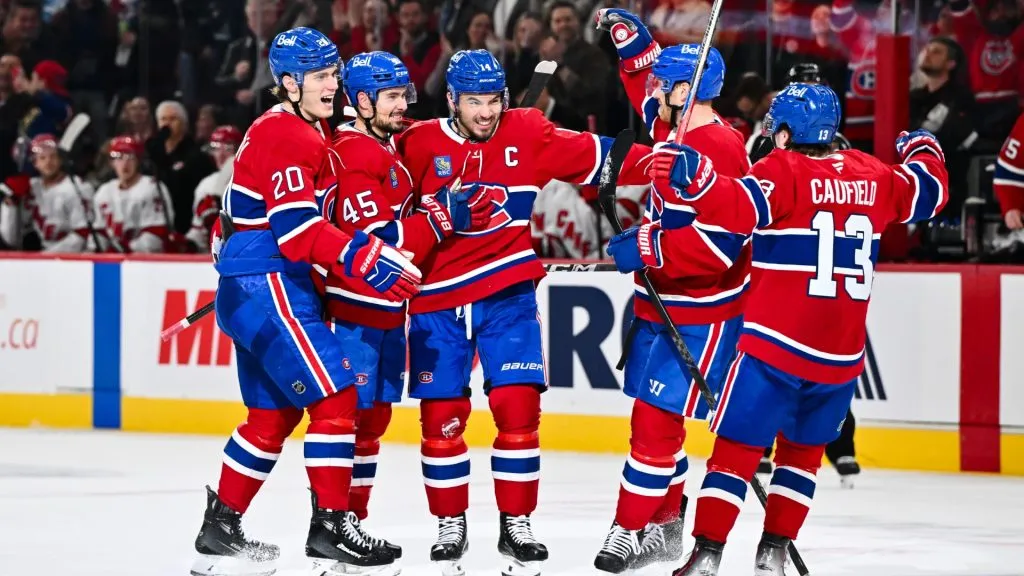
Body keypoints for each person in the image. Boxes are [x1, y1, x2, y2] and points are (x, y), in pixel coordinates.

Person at [646, 83, 948, 575]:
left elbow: (733, 209)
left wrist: (692, 174)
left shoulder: (780, 169)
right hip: (840, 358)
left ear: (785, 133)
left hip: (774, 346)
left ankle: (705, 556)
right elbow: (929, 190)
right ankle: (774, 553)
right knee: (801, 458)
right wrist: (922, 148)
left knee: (736, 452)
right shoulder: (874, 175)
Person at [395, 48, 651, 576]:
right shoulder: (415, 143)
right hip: (436, 302)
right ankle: (451, 524)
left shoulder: (530, 131)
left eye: (493, 101)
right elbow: (369, 191)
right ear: (451, 101)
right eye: (473, 103)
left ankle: (517, 525)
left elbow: (610, 157)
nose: (486, 113)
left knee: (517, 412)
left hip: (507, 294)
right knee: (442, 421)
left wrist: (679, 161)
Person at [190, 27, 422, 576]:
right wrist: (365, 257)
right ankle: (331, 526)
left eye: (333, 75)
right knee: (339, 398)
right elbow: (296, 232)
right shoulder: (290, 136)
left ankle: (220, 530)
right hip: (269, 286)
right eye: (319, 76)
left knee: (270, 418)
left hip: (250, 289)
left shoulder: (291, 128)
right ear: (289, 83)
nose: (330, 85)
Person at [592, 9, 751, 573]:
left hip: (704, 310)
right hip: (659, 302)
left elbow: (726, 243)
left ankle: (627, 528)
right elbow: (643, 89)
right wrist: (632, 44)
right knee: (655, 417)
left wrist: (649, 248)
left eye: (666, 83)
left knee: (654, 421)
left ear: (687, 91)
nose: (654, 89)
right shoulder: (671, 126)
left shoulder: (723, 149)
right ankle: (662, 528)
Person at [324, 50, 494, 558]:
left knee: (371, 422)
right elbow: (379, 242)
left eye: (404, 94)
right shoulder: (354, 154)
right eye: (392, 96)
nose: (403, 105)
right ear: (360, 101)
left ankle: (350, 523)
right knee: (348, 420)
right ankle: (331, 524)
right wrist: (442, 217)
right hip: (353, 308)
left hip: (385, 311)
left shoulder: (387, 142)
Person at [0, 133, 95, 252]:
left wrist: (45, 258)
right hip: (43, 257)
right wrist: (11, 203)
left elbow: (82, 235)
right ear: (35, 162)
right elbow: (11, 239)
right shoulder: (31, 188)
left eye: (53, 156)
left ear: (60, 159)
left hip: (75, 259)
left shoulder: (77, 187)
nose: (48, 162)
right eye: (42, 158)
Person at [90, 135, 174, 253]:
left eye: (130, 156)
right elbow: (99, 233)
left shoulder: (152, 188)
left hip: (148, 262)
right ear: (111, 162)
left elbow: (156, 236)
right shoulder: (104, 192)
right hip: (114, 260)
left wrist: (124, 249)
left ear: (138, 160)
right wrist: (95, 249)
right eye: (118, 157)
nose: (125, 163)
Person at [186, 125, 242, 251]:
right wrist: (187, 243)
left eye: (228, 147)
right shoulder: (206, 184)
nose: (221, 155)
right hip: (211, 255)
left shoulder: (252, 179)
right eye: (216, 148)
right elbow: (198, 231)